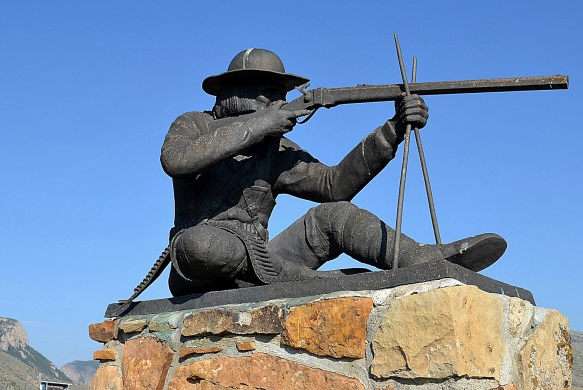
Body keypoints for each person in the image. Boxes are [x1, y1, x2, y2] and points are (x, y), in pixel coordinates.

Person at [160, 48, 506, 296]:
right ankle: (306, 279)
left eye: (282, 94)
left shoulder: (276, 150)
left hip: (262, 261)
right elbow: (176, 160)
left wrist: (393, 129)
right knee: (201, 245)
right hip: (200, 260)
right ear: (238, 94)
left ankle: (418, 257)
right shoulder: (195, 123)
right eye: (271, 95)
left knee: (335, 216)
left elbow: (334, 185)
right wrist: (263, 124)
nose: (281, 101)